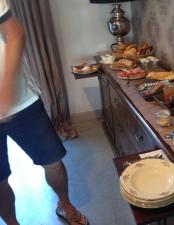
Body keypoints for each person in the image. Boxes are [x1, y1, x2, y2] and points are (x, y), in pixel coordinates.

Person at [0, 1, 89, 225]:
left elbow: (15, 34)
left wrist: (6, 88)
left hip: (21, 101)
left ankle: (64, 203)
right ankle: (12, 222)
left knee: (53, 162)